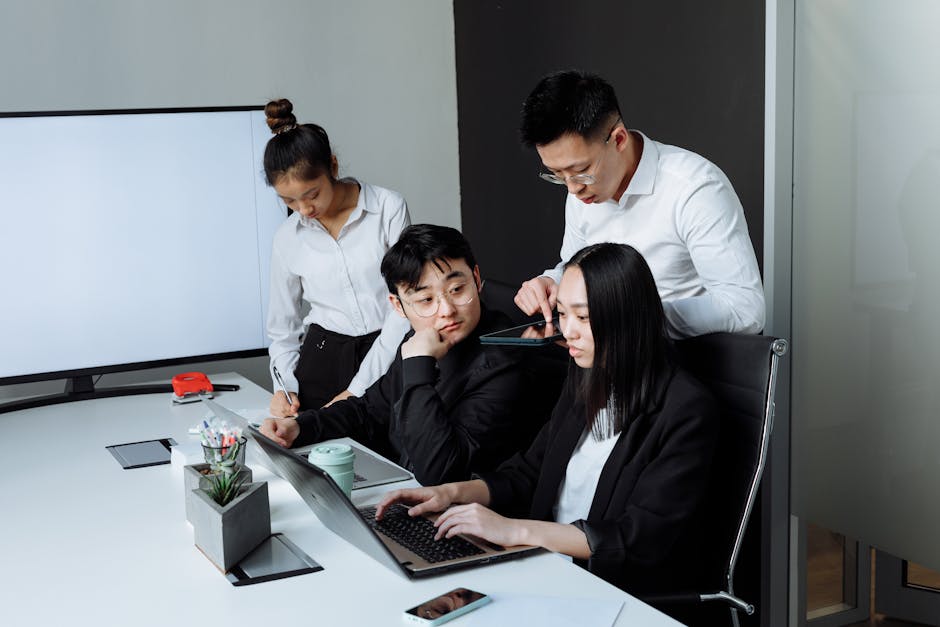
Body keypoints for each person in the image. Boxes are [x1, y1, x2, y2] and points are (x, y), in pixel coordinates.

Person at [376, 243, 720, 616]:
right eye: (562, 314)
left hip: (611, 589)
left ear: (628, 317)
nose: (567, 331)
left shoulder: (685, 408)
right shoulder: (585, 374)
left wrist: (515, 531)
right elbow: (529, 471)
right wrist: (451, 493)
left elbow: (639, 538)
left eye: (584, 318)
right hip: (543, 565)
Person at [260, 224, 544, 485]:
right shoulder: (422, 338)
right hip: (403, 492)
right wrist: (299, 427)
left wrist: (419, 366)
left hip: (463, 518)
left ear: (477, 278)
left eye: (457, 289)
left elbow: (439, 472)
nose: (446, 310)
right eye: (426, 300)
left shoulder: (507, 361)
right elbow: (370, 410)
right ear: (398, 306)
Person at [513, 70, 765, 338]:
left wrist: (636, 317)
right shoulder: (581, 189)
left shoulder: (694, 188)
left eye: (580, 170)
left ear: (619, 139)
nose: (572, 188)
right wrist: (553, 281)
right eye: (558, 174)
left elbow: (745, 309)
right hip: (606, 360)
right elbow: (576, 267)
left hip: (683, 363)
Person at [263, 98, 411, 417]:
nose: (303, 210)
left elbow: (406, 305)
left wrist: (357, 389)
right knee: (315, 455)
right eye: (288, 200)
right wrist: (284, 387)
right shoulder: (287, 238)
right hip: (322, 358)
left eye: (311, 194)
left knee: (390, 453)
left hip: (389, 348)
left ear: (332, 166)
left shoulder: (387, 208)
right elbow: (282, 328)